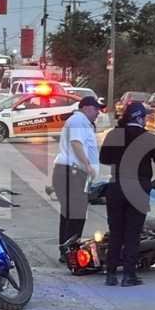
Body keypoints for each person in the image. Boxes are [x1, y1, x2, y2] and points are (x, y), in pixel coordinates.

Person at [99, 102, 155, 286]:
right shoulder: (148, 137)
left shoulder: (115, 134)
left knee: (116, 232)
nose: (146, 120)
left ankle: (111, 274)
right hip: (138, 188)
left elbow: (103, 158)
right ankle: (129, 275)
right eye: (145, 117)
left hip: (117, 186)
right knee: (132, 233)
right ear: (138, 117)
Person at [53, 95, 103, 260]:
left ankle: (67, 251)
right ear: (86, 107)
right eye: (96, 109)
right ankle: (70, 252)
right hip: (73, 172)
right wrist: (87, 165)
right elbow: (76, 143)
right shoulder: (78, 121)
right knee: (75, 214)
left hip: (71, 172)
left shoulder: (82, 122)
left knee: (71, 213)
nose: (98, 113)